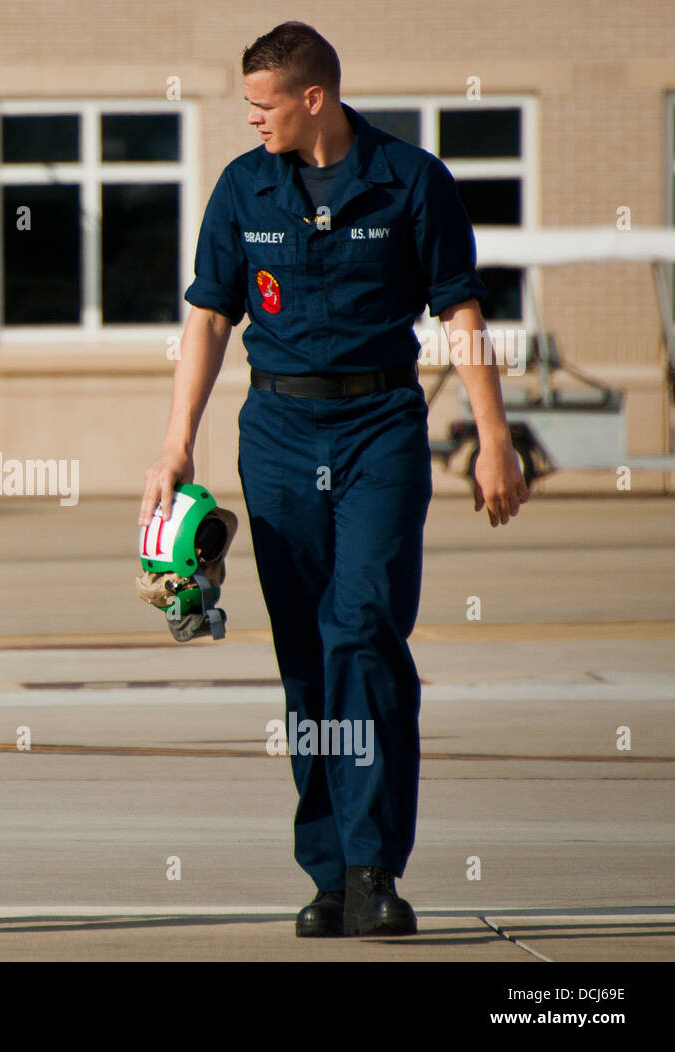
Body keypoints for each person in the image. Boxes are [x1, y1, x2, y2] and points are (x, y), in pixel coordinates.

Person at [139, 23, 528, 937]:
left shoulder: (411, 179)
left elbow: (459, 310)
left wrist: (497, 436)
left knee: (362, 631)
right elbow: (207, 319)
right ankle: (327, 875)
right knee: (306, 658)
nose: (251, 118)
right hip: (275, 433)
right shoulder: (244, 186)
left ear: (312, 98)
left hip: (380, 430)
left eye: (262, 103)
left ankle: (373, 867)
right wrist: (174, 444)